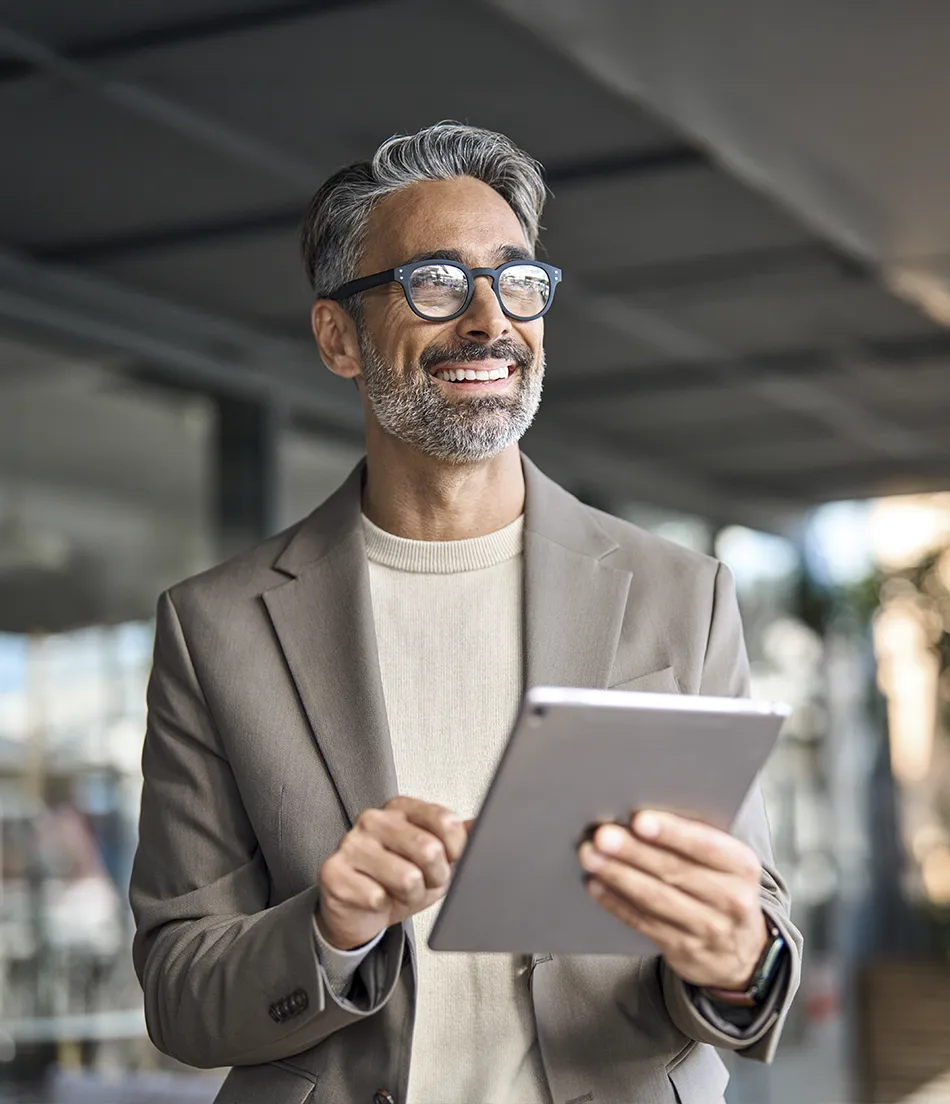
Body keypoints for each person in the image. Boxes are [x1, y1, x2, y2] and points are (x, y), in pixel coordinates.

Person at [130, 122, 802, 1104]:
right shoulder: (214, 629)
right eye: (436, 282)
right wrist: (329, 928)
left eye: (517, 281)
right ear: (338, 337)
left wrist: (738, 956)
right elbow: (179, 992)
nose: (490, 320)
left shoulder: (680, 594)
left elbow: (752, 914)